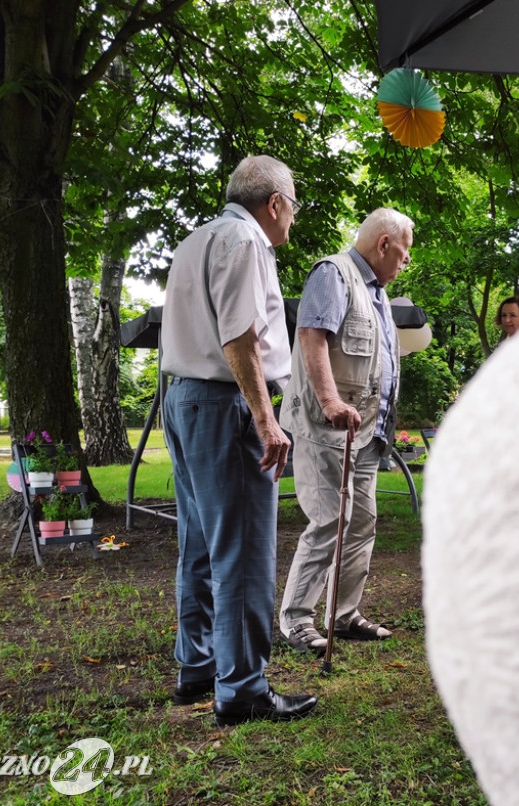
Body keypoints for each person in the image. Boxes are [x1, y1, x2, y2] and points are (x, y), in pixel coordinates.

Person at [160, 155, 317, 726]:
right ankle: (243, 688)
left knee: (199, 546)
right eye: (292, 208)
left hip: (183, 400)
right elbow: (240, 336)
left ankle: (197, 667)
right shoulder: (246, 242)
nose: (292, 221)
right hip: (226, 406)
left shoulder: (194, 240)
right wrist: (265, 417)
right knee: (245, 549)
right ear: (274, 203)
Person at [277, 207, 413, 653]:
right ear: (384, 244)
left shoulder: (376, 294)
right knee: (331, 519)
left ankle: (343, 613)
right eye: (404, 253)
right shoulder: (333, 274)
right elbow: (312, 336)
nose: (405, 263)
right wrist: (331, 400)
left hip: (369, 432)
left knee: (361, 523)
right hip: (329, 428)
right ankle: (296, 619)